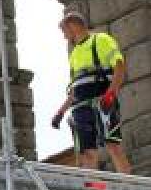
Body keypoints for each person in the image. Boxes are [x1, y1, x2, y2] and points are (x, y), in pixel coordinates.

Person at [49, 9, 132, 173]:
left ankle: (129, 185)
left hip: (102, 101)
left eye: (64, 31)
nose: (64, 36)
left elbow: (120, 67)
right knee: (86, 152)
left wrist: (110, 94)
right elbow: (75, 87)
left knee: (112, 144)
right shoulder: (74, 54)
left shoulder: (101, 40)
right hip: (80, 107)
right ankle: (94, 189)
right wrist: (60, 112)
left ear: (73, 26)